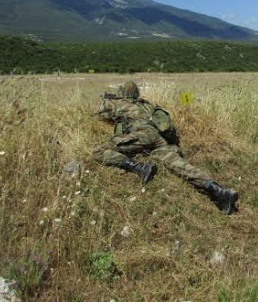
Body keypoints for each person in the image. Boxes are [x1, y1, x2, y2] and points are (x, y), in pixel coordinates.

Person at [92, 80, 239, 215]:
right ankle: (219, 191)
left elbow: (99, 114)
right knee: (181, 166)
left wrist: (108, 100)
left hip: (144, 135)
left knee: (98, 151)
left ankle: (139, 167)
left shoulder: (120, 104)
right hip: (161, 139)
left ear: (122, 92)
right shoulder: (147, 104)